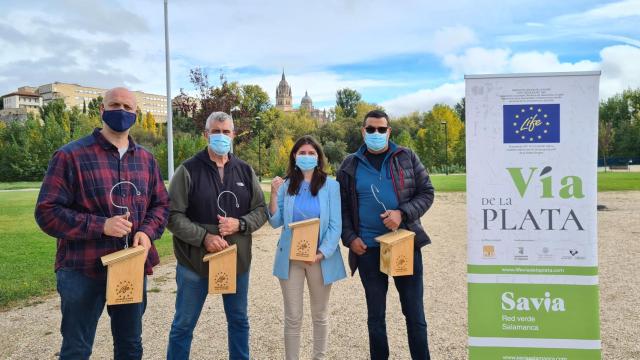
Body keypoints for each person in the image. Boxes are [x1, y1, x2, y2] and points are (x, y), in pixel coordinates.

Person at [34, 87, 170, 360]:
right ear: (102, 110)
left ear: (136, 114)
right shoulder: (70, 156)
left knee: (130, 346)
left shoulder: (146, 159)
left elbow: (161, 205)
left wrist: (147, 231)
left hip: (130, 266)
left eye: (128, 107)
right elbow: (47, 212)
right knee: (77, 348)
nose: (121, 111)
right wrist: (100, 225)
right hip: (82, 268)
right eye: (115, 105)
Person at [166, 111, 267, 360]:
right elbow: (172, 215)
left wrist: (241, 224)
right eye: (216, 131)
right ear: (206, 134)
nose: (221, 136)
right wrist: (204, 237)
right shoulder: (187, 170)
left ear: (233, 135)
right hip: (194, 262)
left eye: (226, 132)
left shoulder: (244, 170)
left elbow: (261, 209)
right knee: (183, 325)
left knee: (239, 321)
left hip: (236, 261)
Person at [336, 109, 435, 360]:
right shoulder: (349, 164)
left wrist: (402, 213)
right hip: (367, 248)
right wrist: (350, 238)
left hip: (404, 244)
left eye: (381, 129)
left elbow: (426, 192)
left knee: (414, 313)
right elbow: (342, 208)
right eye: (371, 129)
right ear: (363, 131)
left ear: (389, 131)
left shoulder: (406, 156)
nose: (376, 133)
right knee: (375, 317)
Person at [268, 136, 346, 360]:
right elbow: (275, 221)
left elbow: (335, 225)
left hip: (320, 259)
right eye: (302, 153)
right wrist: (273, 194)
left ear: (318, 158)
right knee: (293, 316)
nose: (307, 157)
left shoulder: (331, 186)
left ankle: (318, 357)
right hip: (291, 259)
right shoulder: (285, 185)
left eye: (311, 153)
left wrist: (321, 253)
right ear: (294, 156)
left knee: (320, 315)